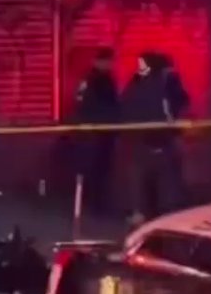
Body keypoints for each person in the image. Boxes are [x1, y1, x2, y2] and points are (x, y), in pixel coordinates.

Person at [121, 51, 189, 224]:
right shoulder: (141, 83)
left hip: (155, 142)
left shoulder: (163, 83)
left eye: (142, 64)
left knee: (160, 183)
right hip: (147, 142)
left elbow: (176, 104)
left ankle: (155, 216)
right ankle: (151, 215)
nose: (140, 68)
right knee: (148, 182)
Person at [71, 47, 120, 217]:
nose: (111, 64)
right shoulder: (101, 80)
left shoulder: (89, 79)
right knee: (98, 169)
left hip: (92, 131)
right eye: (108, 61)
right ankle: (97, 205)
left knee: (95, 169)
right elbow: (108, 106)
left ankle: (92, 203)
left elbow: (79, 101)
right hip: (99, 132)